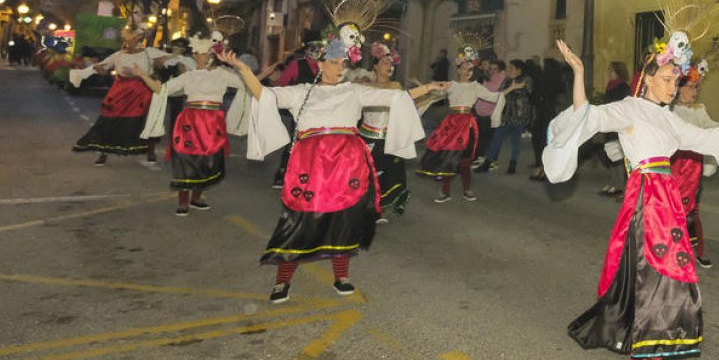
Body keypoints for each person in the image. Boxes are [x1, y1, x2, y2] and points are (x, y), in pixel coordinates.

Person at [544, 34, 719, 360]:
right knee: (662, 295)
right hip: (646, 208)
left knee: (669, 293)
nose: (674, 86)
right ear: (647, 77)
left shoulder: (670, 118)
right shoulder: (630, 109)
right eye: (668, 78)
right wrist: (580, 73)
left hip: (668, 209)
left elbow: (710, 139)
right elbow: (587, 114)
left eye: (676, 80)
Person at [219, 35, 440, 303]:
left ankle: (341, 275)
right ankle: (283, 279)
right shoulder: (301, 92)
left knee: (344, 219)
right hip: (310, 166)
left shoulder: (353, 91)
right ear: (320, 65)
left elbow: (396, 98)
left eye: (342, 63)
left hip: (346, 165)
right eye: (334, 62)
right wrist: (242, 70)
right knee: (299, 221)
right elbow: (264, 94)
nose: (340, 67)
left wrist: (428, 87)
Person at [132, 34, 248, 215]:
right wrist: (142, 75)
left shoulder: (224, 74)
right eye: (196, 52)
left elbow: (247, 84)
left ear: (211, 54)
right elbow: (162, 90)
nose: (199, 55)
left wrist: (245, 69)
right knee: (185, 159)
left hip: (212, 123)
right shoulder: (189, 76)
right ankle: (183, 202)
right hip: (190, 122)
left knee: (206, 161)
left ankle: (195, 198)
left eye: (203, 52)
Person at [417, 46, 519, 202]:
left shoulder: (476, 87)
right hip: (450, 124)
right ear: (458, 70)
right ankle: (445, 191)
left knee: (465, 160)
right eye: (464, 68)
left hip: (467, 125)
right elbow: (434, 95)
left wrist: (511, 88)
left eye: (470, 68)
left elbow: (494, 97)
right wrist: (420, 86)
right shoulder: (450, 85)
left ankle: (467, 189)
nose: (467, 71)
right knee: (448, 157)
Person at [358, 42, 442, 222]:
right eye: (385, 63)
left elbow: (407, 105)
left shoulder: (396, 86)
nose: (390, 66)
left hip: (390, 138)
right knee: (368, 175)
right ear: (375, 65)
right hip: (368, 138)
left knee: (391, 175)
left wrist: (429, 98)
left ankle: (377, 209)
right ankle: (363, 209)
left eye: (391, 63)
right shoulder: (366, 87)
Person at [70, 26, 168, 166]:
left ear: (139, 38)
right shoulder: (118, 55)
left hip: (142, 91)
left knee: (145, 120)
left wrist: (166, 61)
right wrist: (98, 70)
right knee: (110, 120)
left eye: (134, 38)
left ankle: (150, 150)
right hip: (120, 91)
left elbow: (167, 60)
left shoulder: (149, 52)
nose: (131, 42)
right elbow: (104, 67)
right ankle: (104, 152)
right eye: (128, 39)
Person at [669, 60, 719, 268]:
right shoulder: (669, 110)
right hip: (673, 167)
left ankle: (699, 251)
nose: (695, 92)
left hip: (693, 168)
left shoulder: (699, 109)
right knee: (671, 212)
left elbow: (711, 126)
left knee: (693, 212)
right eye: (691, 87)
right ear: (679, 88)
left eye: (696, 87)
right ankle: (673, 250)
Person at [269, 36, 323, 189]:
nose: (315, 51)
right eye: (313, 48)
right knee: (295, 141)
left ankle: (308, 175)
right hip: (300, 109)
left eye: (318, 48)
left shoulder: (325, 66)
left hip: (319, 110)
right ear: (306, 50)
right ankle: (282, 173)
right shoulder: (296, 65)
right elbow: (284, 83)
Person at [476, 59, 533, 174]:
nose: (509, 70)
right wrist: (512, 88)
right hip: (506, 115)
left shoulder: (526, 80)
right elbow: (501, 92)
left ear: (519, 70)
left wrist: (513, 89)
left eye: (511, 68)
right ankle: (488, 162)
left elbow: (524, 93)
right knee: (496, 138)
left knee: (516, 140)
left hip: (519, 115)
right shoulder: (507, 80)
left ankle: (513, 164)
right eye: (508, 67)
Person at [597, 62, 632, 197]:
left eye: (611, 70)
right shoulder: (610, 87)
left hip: (618, 124)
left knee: (617, 155)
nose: (609, 72)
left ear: (618, 72)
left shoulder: (623, 87)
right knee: (608, 153)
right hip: (609, 123)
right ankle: (612, 182)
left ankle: (619, 185)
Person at [528, 57, 565, 182]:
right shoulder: (550, 79)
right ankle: (541, 166)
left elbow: (541, 92)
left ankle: (543, 168)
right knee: (539, 140)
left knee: (543, 141)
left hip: (548, 113)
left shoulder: (552, 81)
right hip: (544, 113)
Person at [472, 59, 506, 167]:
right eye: (491, 69)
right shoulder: (486, 78)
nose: (492, 71)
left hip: (491, 113)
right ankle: (479, 157)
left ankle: (489, 160)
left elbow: (500, 96)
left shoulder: (502, 80)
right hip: (479, 111)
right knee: (479, 136)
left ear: (500, 70)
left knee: (489, 138)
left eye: (495, 69)